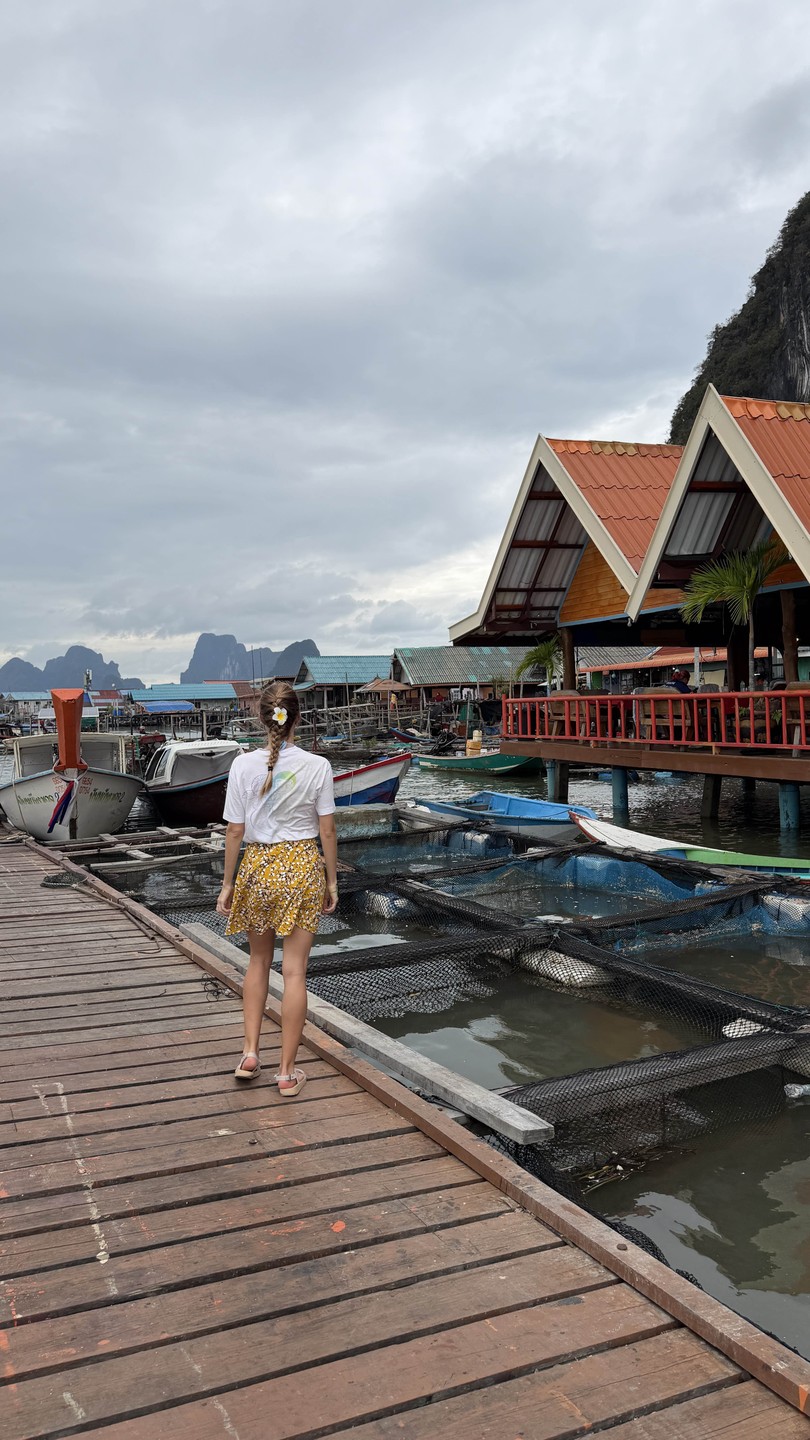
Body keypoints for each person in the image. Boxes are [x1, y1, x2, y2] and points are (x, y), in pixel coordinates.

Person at [216, 680, 338, 1096]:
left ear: (261, 717)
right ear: (297, 718)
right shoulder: (317, 766)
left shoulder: (242, 765)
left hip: (258, 866)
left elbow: (235, 831)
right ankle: (286, 1073)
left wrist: (228, 882)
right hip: (303, 866)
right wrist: (332, 880)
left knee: (257, 964)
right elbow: (327, 829)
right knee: (295, 971)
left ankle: (250, 1052)